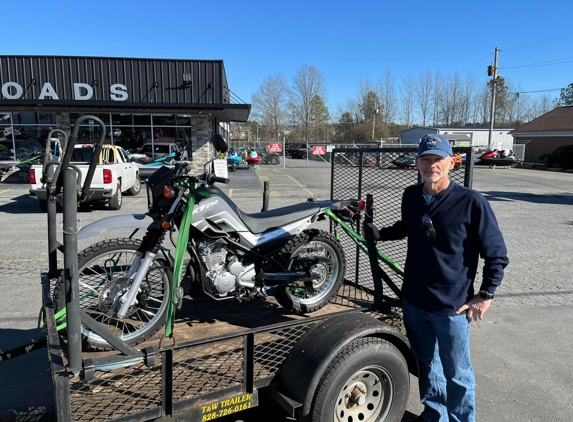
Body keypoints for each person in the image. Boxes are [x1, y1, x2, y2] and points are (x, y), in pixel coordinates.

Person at [366, 134, 508, 422]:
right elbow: (408, 226)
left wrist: (486, 294)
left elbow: (496, 253)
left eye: (438, 159)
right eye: (426, 159)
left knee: (458, 374)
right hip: (415, 301)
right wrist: (381, 234)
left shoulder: (471, 202)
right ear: (417, 163)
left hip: (451, 307)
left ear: (452, 163)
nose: (432, 165)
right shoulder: (411, 196)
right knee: (427, 366)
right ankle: (434, 415)